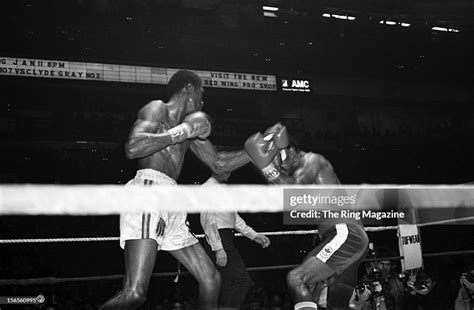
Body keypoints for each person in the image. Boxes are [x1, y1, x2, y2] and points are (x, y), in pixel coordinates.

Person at [100, 70, 250, 310]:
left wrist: (259, 149)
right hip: (149, 192)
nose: (203, 100)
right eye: (202, 92)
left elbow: (219, 166)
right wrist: (180, 133)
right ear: (189, 88)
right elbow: (134, 148)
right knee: (134, 293)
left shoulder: (191, 127)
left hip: (171, 199)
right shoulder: (157, 109)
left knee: (211, 279)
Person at [244, 123, 369, 310]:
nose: (281, 169)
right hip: (345, 238)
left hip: (345, 234)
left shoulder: (313, 161)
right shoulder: (298, 175)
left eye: (280, 162)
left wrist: (267, 166)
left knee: (296, 279)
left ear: (292, 152)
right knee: (328, 300)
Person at [200, 173, 271, 309]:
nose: (230, 171)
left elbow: (234, 218)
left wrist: (254, 236)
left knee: (227, 283)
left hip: (225, 237)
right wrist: (218, 248)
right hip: (219, 239)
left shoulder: (222, 188)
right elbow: (207, 220)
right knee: (241, 280)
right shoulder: (208, 188)